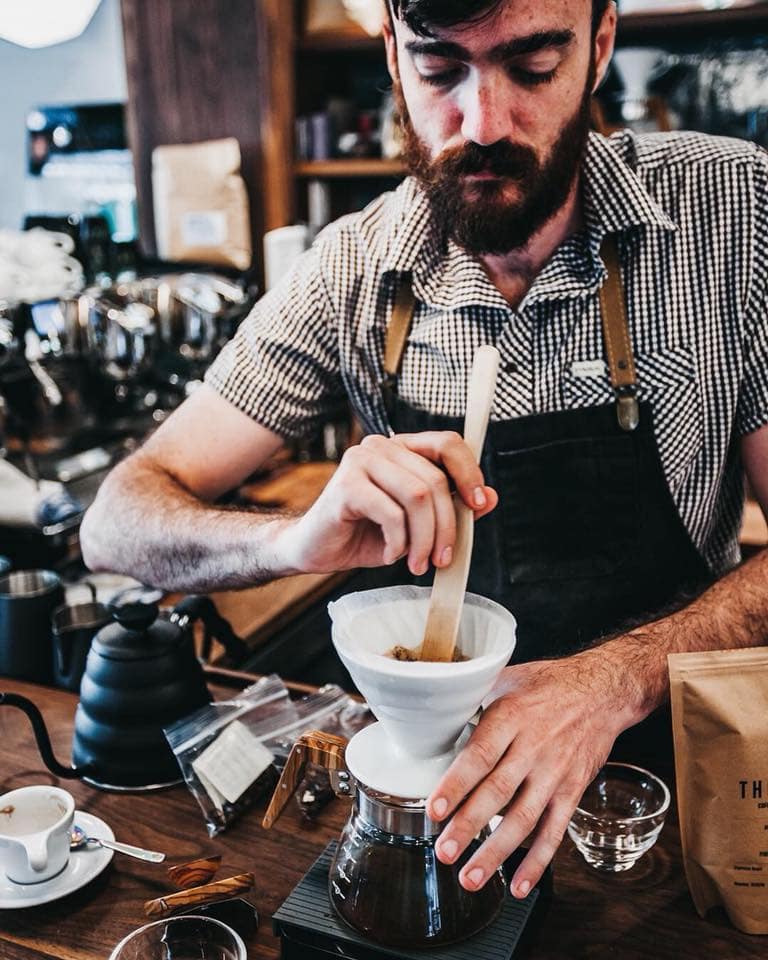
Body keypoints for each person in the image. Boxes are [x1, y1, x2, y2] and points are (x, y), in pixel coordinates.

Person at [81, 0, 768, 901]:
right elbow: (114, 527)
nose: (483, 123)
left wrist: (612, 681)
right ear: (395, 63)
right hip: (425, 810)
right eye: (441, 70)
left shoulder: (734, 215)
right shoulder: (354, 270)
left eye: (532, 65)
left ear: (599, 44)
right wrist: (291, 543)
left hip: (654, 810)